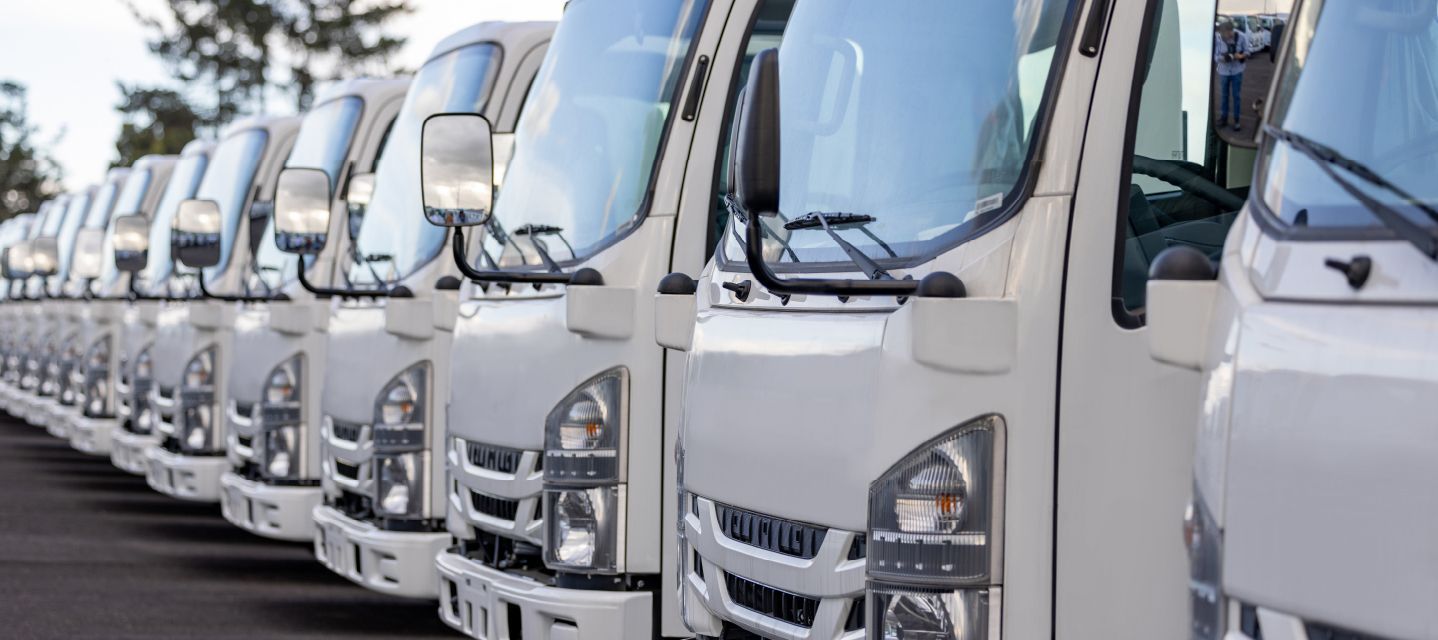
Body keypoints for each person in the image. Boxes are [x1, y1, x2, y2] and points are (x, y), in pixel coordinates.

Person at [1215, 20, 1252, 132]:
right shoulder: (1218, 38)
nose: (1222, 35)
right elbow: (1215, 56)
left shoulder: (1241, 37)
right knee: (1224, 96)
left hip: (1237, 71)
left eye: (1224, 33)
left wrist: (1240, 56)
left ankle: (1236, 121)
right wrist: (1223, 58)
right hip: (1223, 71)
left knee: (1236, 96)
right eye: (1221, 32)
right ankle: (1223, 118)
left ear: (1231, 31)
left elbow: (1248, 51)